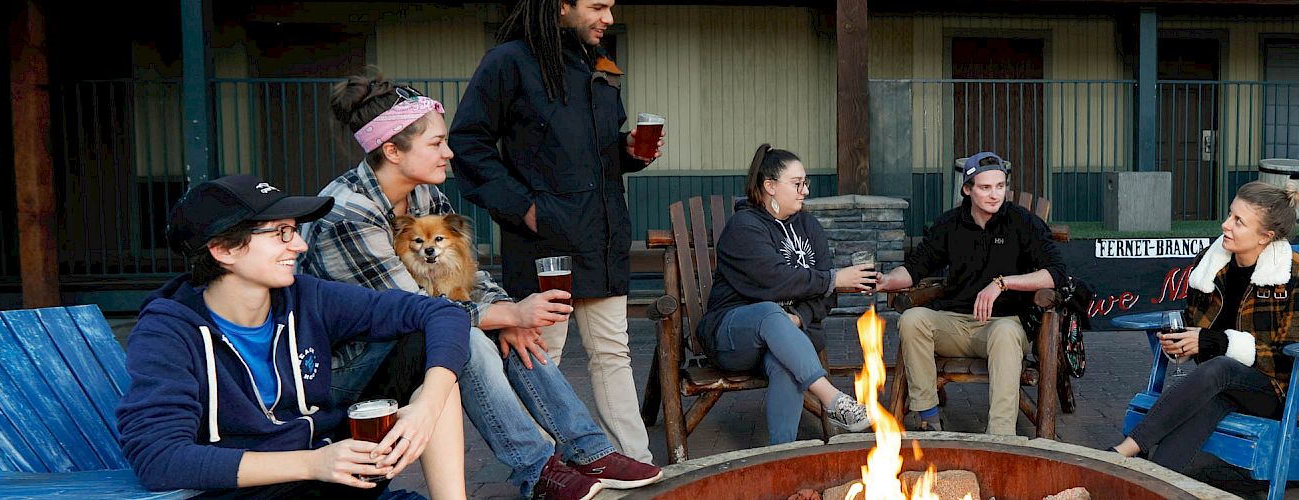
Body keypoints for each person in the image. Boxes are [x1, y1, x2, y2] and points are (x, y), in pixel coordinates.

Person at [303, 69, 660, 499]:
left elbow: (466, 277)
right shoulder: (348, 214)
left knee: (515, 333)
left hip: (407, 338)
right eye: (436, 144)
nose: (450, 153)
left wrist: (509, 314)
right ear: (393, 150)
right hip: (340, 371)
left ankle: (589, 450)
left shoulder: (423, 195)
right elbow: (412, 310)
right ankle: (536, 471)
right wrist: (505, 313)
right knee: (464, 336)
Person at [117, 174, 469, 498]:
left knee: (429, 352)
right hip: (256, 490)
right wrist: (312, 463)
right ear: (223, 249)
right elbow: (158, 459)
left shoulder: (305, 296)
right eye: (280, 233)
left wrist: (427, 406)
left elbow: (442, 313)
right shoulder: (167, 332)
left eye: (295, 230)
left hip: (331, 478)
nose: (299, 245)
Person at [451, 0, 660, 463]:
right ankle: (547, 472)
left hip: (602, 236)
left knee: (612, 352)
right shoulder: (508, 61)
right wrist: (524, 209)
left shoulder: (599, 65)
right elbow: (467, 143)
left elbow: (598, 151)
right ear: (561, 5)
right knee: (542, 357)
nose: (608, 18)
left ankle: (638, 463)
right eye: (598, 6)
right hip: (544, 244)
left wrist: (628, 152)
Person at [1108, 181, 1299, 472]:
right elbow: (1197, 327)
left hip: (1277, 393)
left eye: (1239, 221)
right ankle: (1152, 480)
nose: (1225, 225)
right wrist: (1182, 344)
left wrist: (1217, 343)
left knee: (1221, 367)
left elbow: (1290, 355)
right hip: (1220, 386)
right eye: (1229, 215)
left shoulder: (1295, 274)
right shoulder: (1212, 266)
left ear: (1265, 236)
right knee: (1212, 401)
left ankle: (1123, 451)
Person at [873, 151, 1068, 435]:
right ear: (967, 189)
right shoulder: (949, 225)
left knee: (1003, 334)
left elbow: (1056, 273)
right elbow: (916, 268)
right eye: (985, 187)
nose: (994, 195)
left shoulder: (1022, 222)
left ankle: (1000, 436)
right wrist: (886, 280)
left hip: (1004, 325)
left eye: (1000, 187)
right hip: (955, 323)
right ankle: (928, 419)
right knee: (913, 319)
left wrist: (1002, 283)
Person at [697, 145, 876, 444]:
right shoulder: (744, 227)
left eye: (806, 183)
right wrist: (833, 279)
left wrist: (798, 317)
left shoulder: (808, 225)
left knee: (785, 362)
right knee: (769, 311)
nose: (805, 190)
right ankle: (832, 400)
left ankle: (783, 454)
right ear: (769, 186)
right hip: (734, 336)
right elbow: (775, 281)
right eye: (797, 184)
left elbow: (827, 294)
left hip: (785, 340)